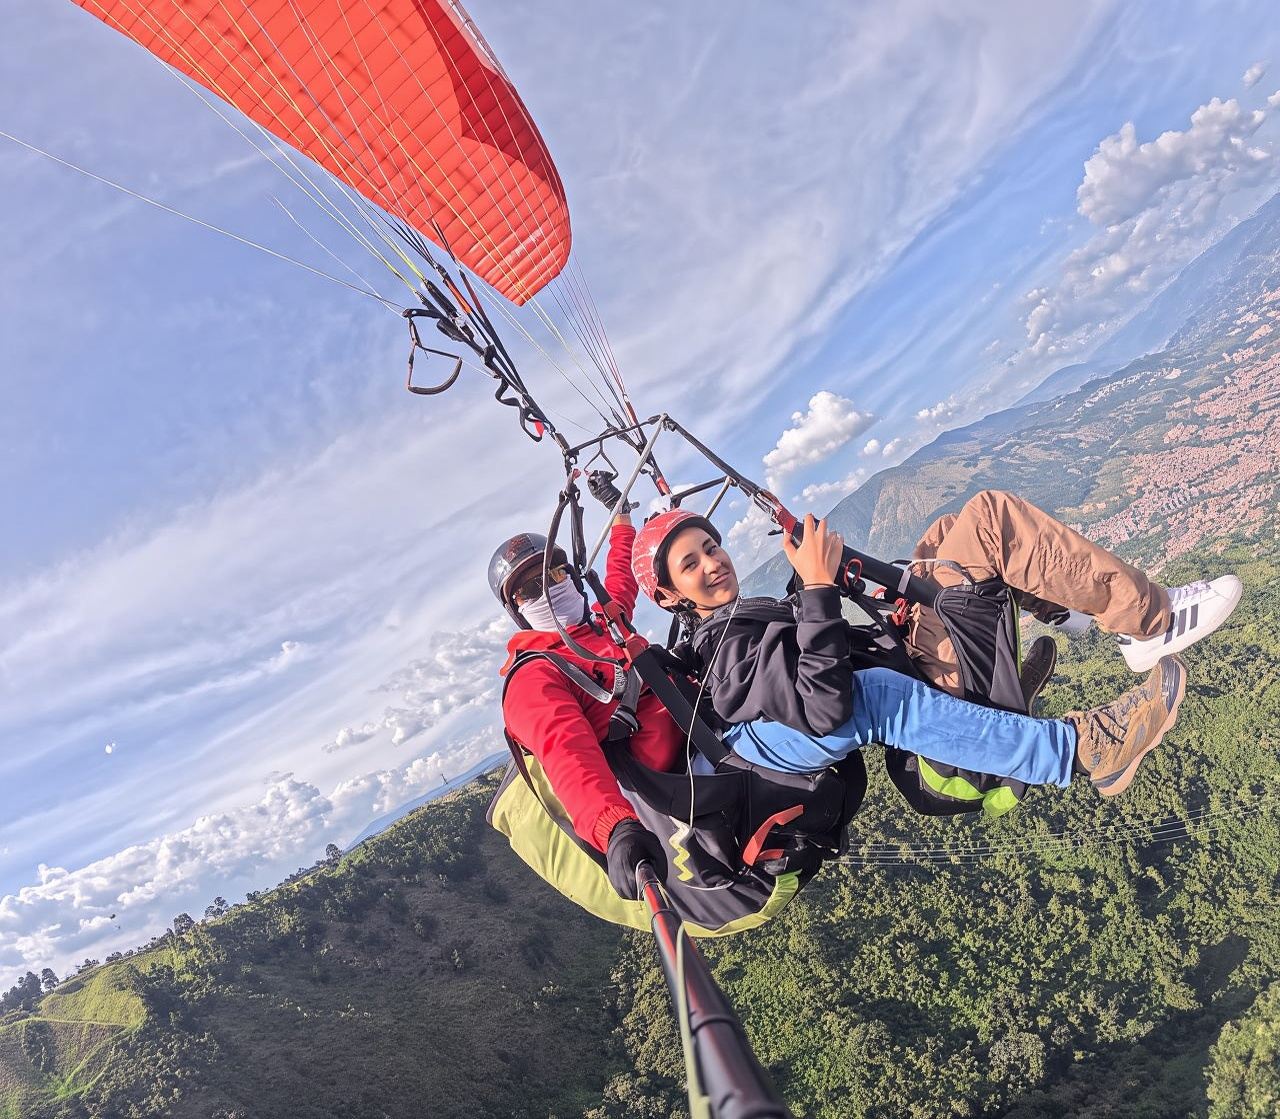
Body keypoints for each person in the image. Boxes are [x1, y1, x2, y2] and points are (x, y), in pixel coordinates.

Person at [631, 495, 1238, 799]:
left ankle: (1065, 612)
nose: (713, 562)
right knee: (989, 520)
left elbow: (810, 647)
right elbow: (824, 708)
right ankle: (1149, 627)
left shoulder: (736, 618)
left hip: (911, 666)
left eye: (711, 546)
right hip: (923, 712)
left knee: (940, 539)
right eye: (691, 564)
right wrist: (816, 588)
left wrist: (823, 578)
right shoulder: (721, 657)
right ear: (671, 595)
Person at [491, 490, 672, 904]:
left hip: (702, 722)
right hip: (677, 773)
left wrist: (621, 517)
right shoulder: (533, 676)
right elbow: (566, 753)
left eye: (555, 574)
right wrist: (615, 828)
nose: (551, 589)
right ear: (517, 611)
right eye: (530, 589)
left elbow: (621, 578)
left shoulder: (601, 626)